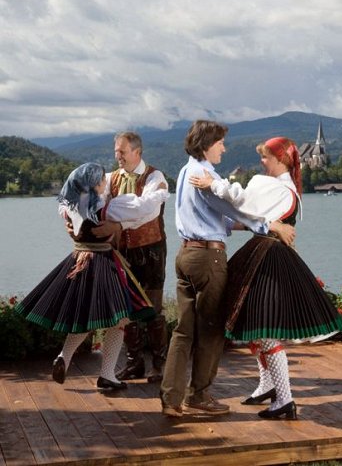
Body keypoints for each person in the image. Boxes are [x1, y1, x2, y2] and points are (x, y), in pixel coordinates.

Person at [190, 136, 342, 420]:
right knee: (256, 326)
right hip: (263, 251)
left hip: (268, 258)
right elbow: (249, 217)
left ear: (281, 160)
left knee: (265, 328)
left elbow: (243, 201)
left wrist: (214, 184)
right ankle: (267, 385)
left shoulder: (276, 187)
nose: (262, 162)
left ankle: (285, 399)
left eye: (266, 157)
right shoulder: (283, 188)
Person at [159, 120, 294, 418]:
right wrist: (269, 224)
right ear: (207, 143)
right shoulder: (204, 174)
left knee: (183, 331)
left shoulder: (185, 171)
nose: (224, 147)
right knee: (211, 331)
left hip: (185, 255)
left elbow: (219, 218)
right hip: (208, 258)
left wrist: (251, 225)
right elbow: (234, 209)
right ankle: (199, 397)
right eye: (220, 142)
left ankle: (171, 399)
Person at [14, 163, 165, 390]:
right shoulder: (110, 208)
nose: (106, 183)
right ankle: (107, 376)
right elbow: (144, 206)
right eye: (102, 180)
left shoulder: (68, 208)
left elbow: (67, 212)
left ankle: (64, 356)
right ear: (96, 184)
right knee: (119, 320)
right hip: (103, 264)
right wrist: (161, 191)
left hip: (77, 260)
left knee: (85, 316)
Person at [92, 132, 169, 384]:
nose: (117, 156)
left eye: (122, 151)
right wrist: (118, 218)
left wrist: (116, 222)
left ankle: (160, 364)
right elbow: (97, 208)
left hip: (151, 250)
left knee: (153, 307)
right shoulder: (110, 178)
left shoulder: (155, 176)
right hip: (120, 251)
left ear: (137, 152)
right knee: (125, 306)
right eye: (116, 151)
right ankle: (134, 363)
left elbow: (147, 211)